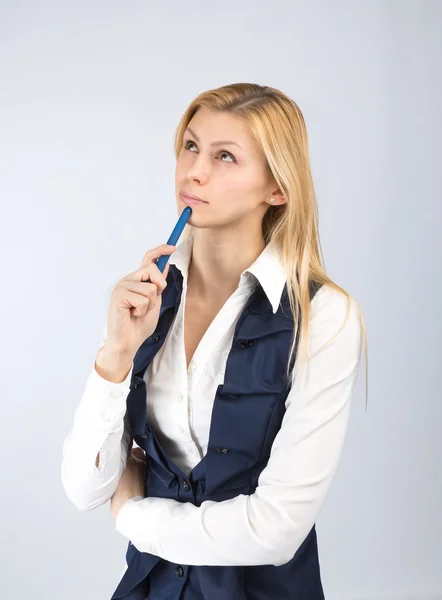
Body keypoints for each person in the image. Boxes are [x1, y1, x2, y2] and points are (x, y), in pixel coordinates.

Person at [61, 82, 367, 599]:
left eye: (226, 157)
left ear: (277, 188)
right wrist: (115, 355)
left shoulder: (326, 316)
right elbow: (84, 489)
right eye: (191, 146)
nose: (194, 171)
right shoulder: (143, 299)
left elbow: (276, 529)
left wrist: (135, 516)